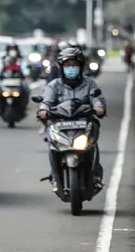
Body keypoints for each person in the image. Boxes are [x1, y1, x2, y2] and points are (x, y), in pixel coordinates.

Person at [37, 47, 107, 192]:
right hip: (60, 123)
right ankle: (55, 177)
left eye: (74, 65)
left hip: (84, 122)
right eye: (67, 66)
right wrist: (43, 110)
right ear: (61, 67)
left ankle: (95, 175)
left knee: (92, 144)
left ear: (81, 67)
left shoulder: (90, 84)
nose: (71, 69)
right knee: (52, 146)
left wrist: (99, 107)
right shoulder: (54, 85)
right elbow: (47, 101)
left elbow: (97, 98)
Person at [0, 42, 31, 112]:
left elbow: (25, 69)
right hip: (5, 81)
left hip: (18, 81)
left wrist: (26, 74)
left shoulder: (21, 60)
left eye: (14, 49)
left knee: (26, 88)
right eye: (11, 49)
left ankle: (24, 105)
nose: (12, 51)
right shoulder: (2, 60)